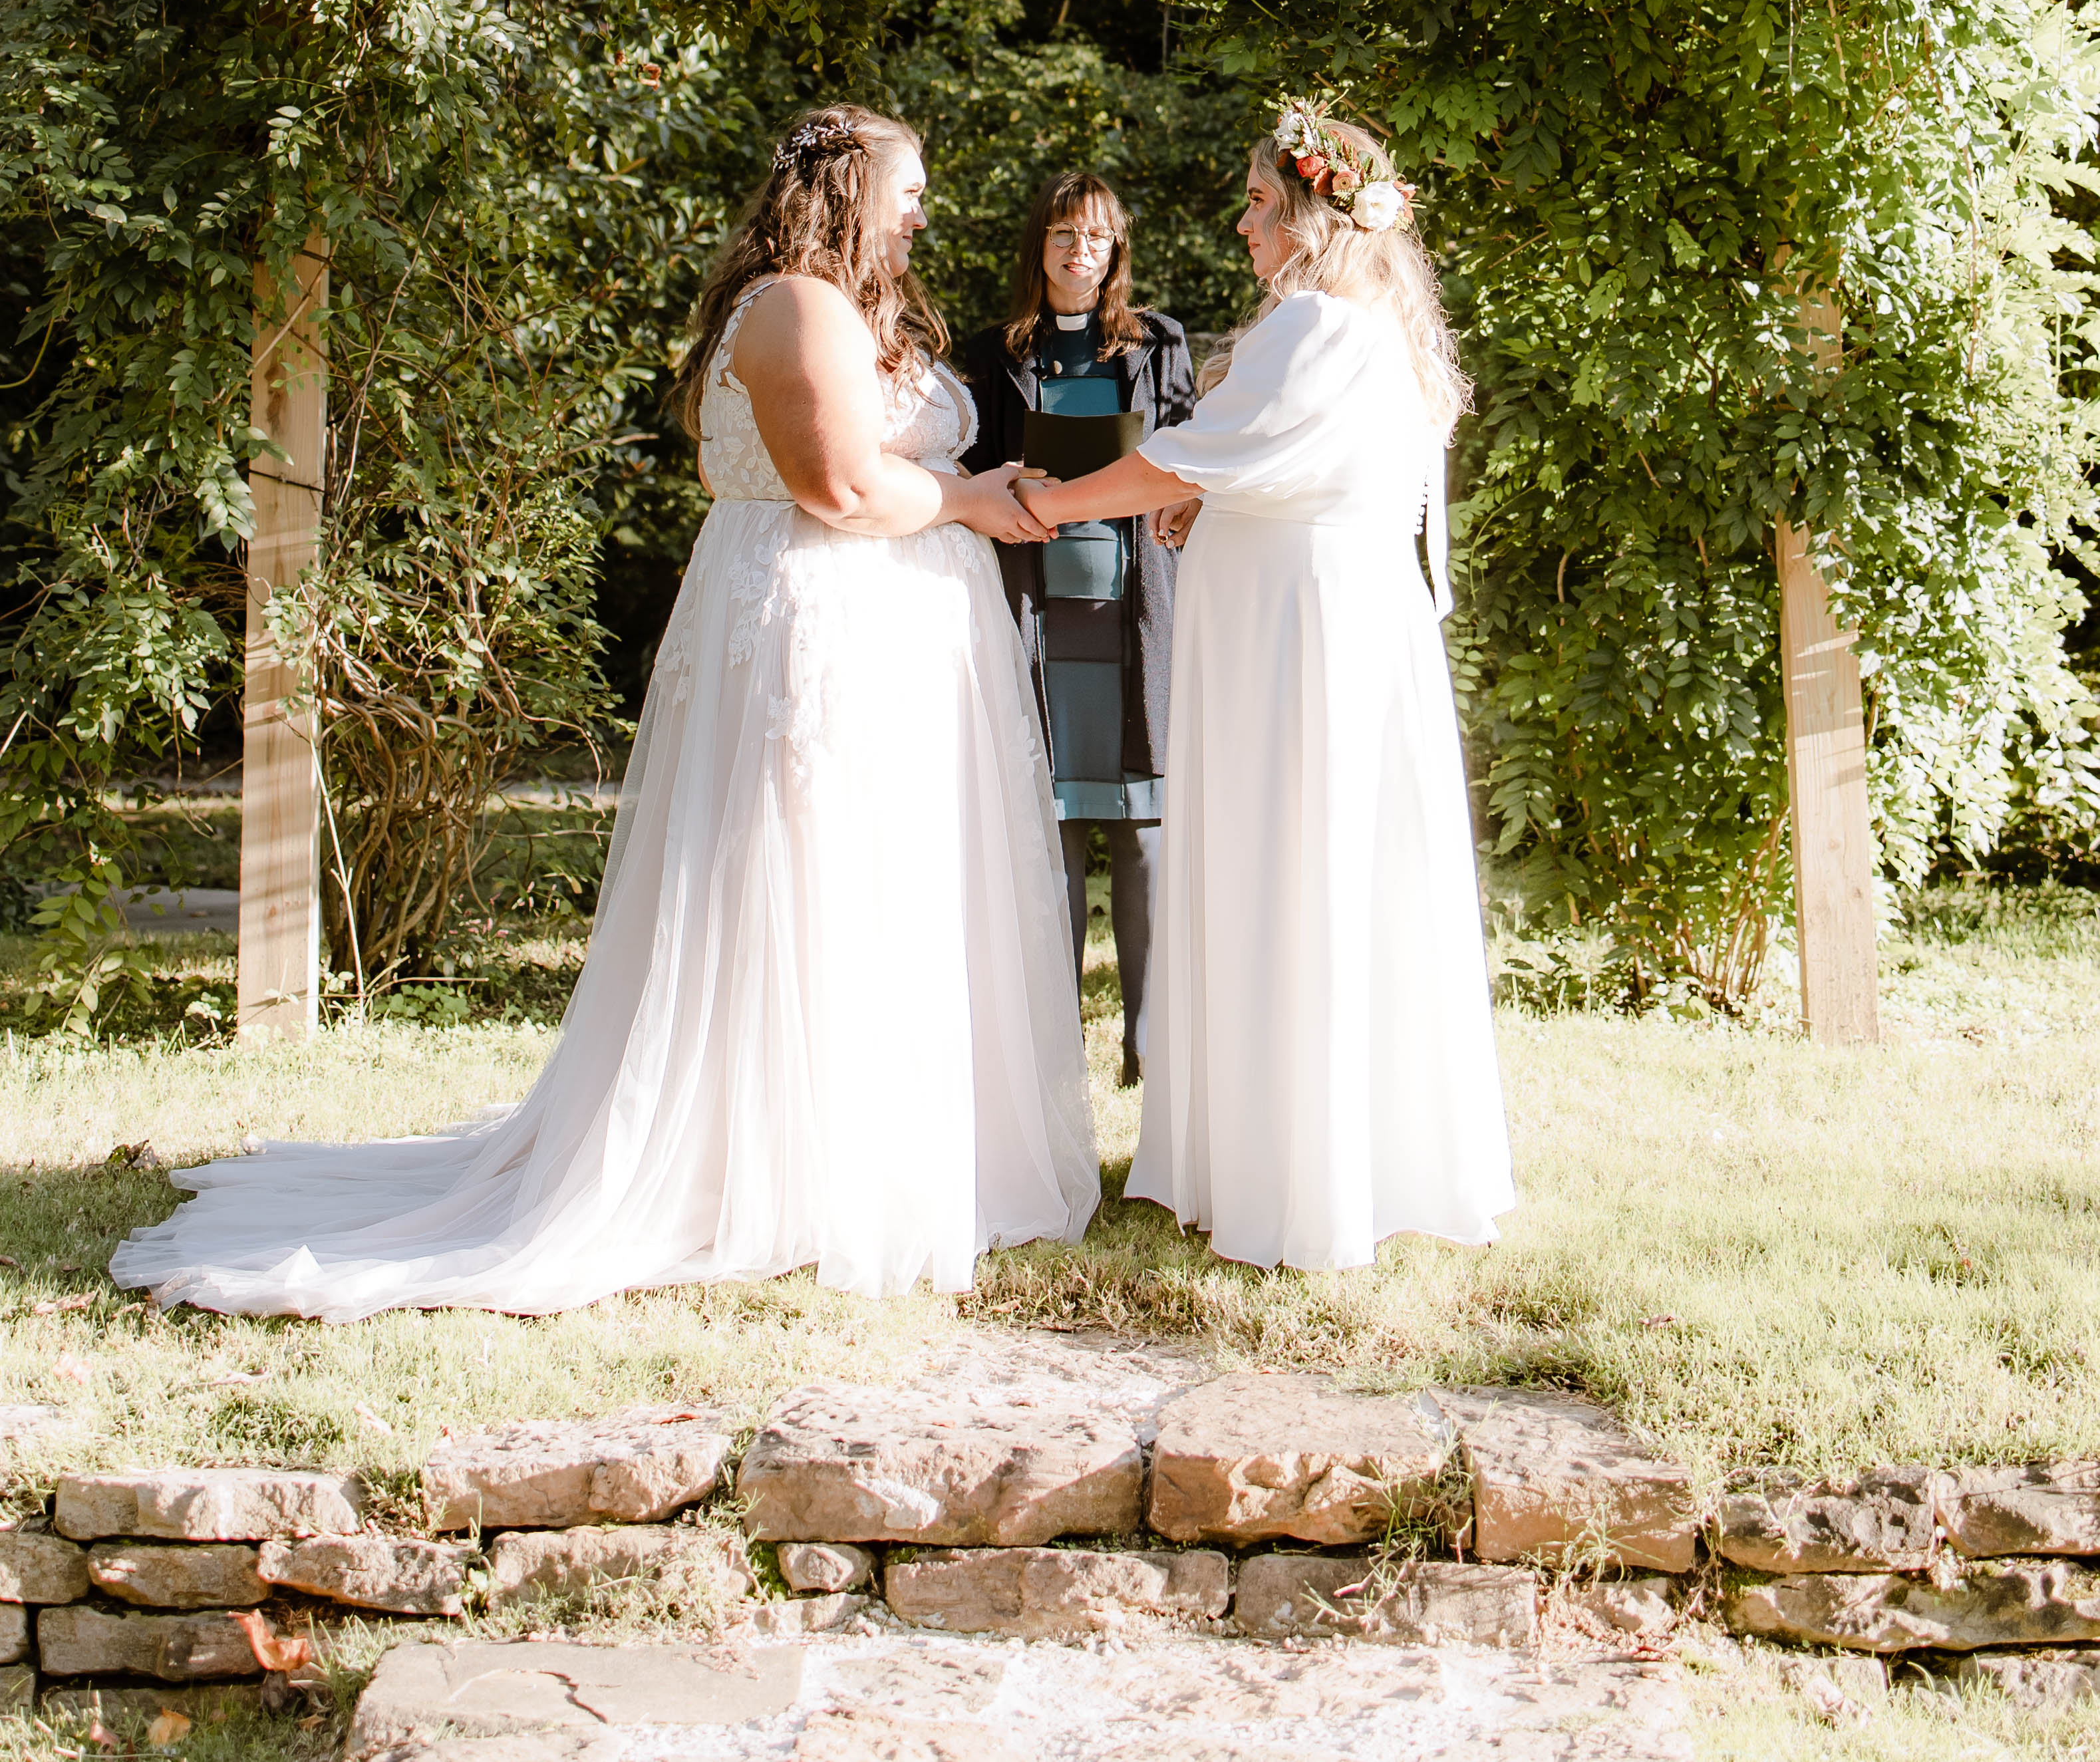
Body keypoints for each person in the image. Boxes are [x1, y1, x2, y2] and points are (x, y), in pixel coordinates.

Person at [113, 108, 1098, 1317]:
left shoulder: (838, 311)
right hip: (825, 625)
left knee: (872, 880)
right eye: (909, 192)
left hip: (884, 626)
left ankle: (870, 1148)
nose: (921, 215)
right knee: (806, 875)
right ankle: (780, 1171)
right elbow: (837, 486)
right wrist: (968, 501)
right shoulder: (796, 306)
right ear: (849, 195)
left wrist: (967, 492)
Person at [1018, 102, 1513, 1272]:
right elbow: (1274, 464)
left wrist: (1045, 502)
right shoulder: (1371, 328)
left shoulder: (1314, 323)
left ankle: (1288, 1169)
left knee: (1290, 863)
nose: (1241, 225)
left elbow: (1186, 455)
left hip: (1297, 642)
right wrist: (1210, 496)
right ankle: (1337, 1153)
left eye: (1257, 203)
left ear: (1311, 216)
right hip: (1327, 620)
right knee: (1333, 870)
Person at [959, 174, 1194, 1086]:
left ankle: (1150, 1052)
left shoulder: (1158, 344)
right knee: (1047, 829)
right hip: (1035, 617)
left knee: (1143, 832)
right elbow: (971, 472)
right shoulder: (992, 354)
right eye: (1063, 234)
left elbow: (1186, 463)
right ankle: (1052, 1054)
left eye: (1095, 237)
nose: (1078, 251)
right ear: (1039, 246)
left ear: (1116, 250)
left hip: (1138, 616)